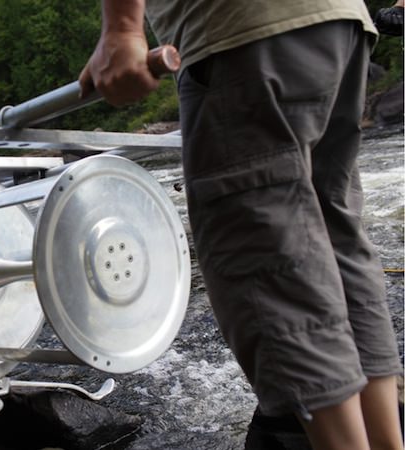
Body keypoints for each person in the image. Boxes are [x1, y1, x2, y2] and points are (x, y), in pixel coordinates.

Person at [80, 1, 403, 449]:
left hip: (245, 33)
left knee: (268, 261)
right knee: (336, 243)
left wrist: (120, 30)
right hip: (339, 24)